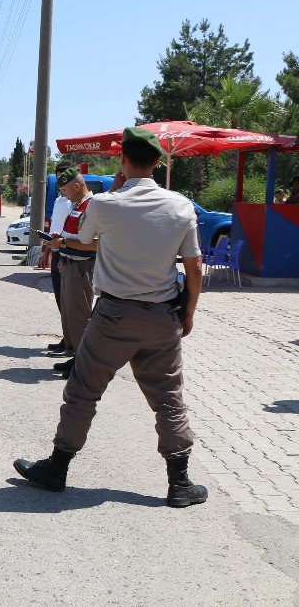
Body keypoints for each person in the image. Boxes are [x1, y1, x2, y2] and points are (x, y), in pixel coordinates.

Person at [14, 127, 207, 509]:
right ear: (157, 163)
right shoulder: (181, 207)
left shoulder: (104, 204)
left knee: (83, 390)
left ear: (123, 160)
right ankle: (180, 482)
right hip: (162, 315)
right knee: (168, 397)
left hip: (114, 315)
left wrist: (116, 189)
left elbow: (86, 241)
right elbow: (195, 267)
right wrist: (188, 314)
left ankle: (57, 468)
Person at [46, 168, 97, 377]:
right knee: (69, 314)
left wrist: (64, 242)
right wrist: (61, 240)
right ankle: (75, 356)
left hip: (81, 267)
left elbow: (95, 244)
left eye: (66, 190)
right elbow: (74, 234)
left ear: (77, 186)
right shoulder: (78, 205)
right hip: (69, 263)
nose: (64, 195)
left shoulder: (92, 206)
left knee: (80, 317)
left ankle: (84, 366)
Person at [46, 163, 74, 355]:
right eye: (59, 178)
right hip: (55, 251)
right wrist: (45, 251)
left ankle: (72, 342)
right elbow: (53, 226)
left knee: (70, 301)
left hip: (68, 252)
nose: (61, 182)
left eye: (65, 178)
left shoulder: (75, 202)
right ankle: (67, 338)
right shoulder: (59, 200)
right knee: (60, 299)